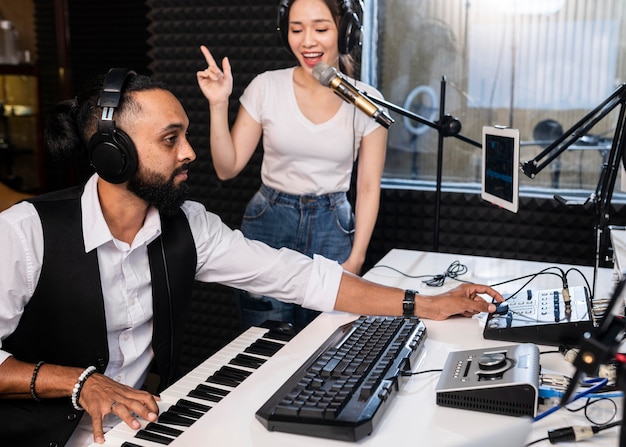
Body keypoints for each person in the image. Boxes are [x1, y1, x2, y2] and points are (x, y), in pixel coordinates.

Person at [0, 68, 502, 447]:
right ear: (114, 155)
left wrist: (424, 304)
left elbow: (301, 278)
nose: (190, 152)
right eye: (170, 139)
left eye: (186, 135)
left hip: (143, 426)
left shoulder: (188, 224)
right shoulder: (25, 233)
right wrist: (79, 382)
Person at [196, 0, 388, 331]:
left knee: (324, 341)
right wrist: (218, 103)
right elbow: (227, 168)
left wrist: (356, 258)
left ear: (345, 33)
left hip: (333, 227)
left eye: (321, 29)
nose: (307, 41)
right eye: (296, 29)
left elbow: (369, 187)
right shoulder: (266, 87)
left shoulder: (366, 101)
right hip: (269, 220)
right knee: (263, 342)